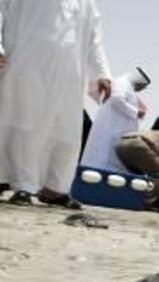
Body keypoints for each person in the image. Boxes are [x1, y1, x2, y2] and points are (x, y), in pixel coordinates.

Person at [0, 0, 112, 208]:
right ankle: (22, 185)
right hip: (26, 64)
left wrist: (101, 72)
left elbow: (94, 38)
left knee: (66, 132)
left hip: (69, 74)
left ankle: (55, 188)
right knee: (25, 124)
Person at [81, 68, 150, 172]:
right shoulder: (122, 83)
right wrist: (136, 112)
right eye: (142, 87)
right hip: (110, 134)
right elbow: (117, 99)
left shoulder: (126, 86)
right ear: (139, 82)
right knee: (101, 164)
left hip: (115, 133)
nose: (141, 90)